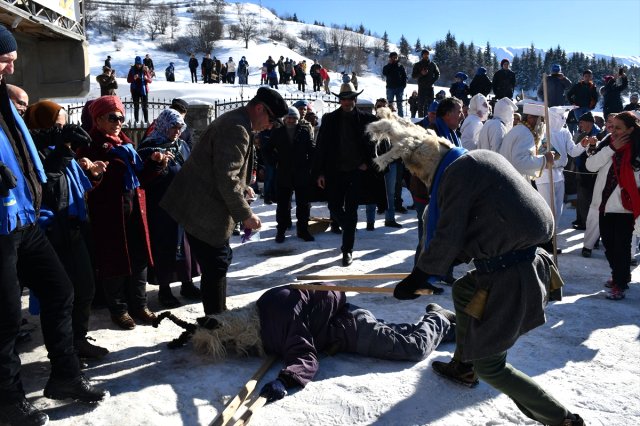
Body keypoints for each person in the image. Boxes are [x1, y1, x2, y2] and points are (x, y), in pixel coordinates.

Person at [366, 111, 584, 426]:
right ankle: (463, 365)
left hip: (514, 272)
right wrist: (435, 266)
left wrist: (419, 276)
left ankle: (563, 419)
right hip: (518, 258)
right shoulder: (476, 160)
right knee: (466, 288)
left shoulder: (458, 174)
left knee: (491, 367)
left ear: (425, 168)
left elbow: (450, 233)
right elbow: (476, 227)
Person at [0, 26, 107, 426]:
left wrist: (54, 137)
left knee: (61, 291)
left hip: (24, 219)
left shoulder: (3, 99)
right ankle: (8, 401)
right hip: (0, 228)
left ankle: (64, 376)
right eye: (5, 58)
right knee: (6, 320)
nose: (12, 65)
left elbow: (17, 143)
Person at [159, 284, 455, 404]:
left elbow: (305, 354)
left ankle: (438, 318)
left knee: (411, 348)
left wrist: (286, 380)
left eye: (236, 346)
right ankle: (449, 330)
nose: (242, 350)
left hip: (346, 327)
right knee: (397, 336)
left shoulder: (277, 322)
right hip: (337, 324)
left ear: (240, 333)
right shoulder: (264, 309)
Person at [160, 87, 288, 315]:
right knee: (216, 263)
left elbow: (227, 170)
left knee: (218, 261)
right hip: (202, 208)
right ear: (259, 108)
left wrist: (244, 186)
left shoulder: (240, 121)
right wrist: (246, 215)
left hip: (201, 203)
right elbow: (227, 178)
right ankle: (216, 323)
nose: (271, 126)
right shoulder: (237, 128)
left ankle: (218, 317)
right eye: (272, 120)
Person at [24, 101, 110, 359]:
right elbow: (45, 191)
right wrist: (62, 152)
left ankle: (78, 338)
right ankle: (65, 349)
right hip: (53, 231)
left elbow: (74, 190)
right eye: (58, 122)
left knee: (85, 288)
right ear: (45, 124)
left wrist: (92, 174)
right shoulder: (34, 153)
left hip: (74, 226)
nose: (64, 126)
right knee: (64, 295)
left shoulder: (63, 150)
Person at [77, 96, 169, 330]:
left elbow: (140, 179)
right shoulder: (90, 146)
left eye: (121, 117)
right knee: (114, 262)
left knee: (139, 259)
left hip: (135, 211)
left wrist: (155, 164)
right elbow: (85, 184)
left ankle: (139, 305)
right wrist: (93, 173)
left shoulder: (125, 143)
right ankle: (118, 309)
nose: (119, 121)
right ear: (97, 119)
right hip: (109, 215)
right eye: (112, 117)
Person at [138, 109, 201, 307]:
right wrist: (158, 165)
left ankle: (187, 283)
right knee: (165, 246)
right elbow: (143, 178)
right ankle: (164, 290)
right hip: (161, 207)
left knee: (186, 246)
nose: (177, 131)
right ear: (164, 125)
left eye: (180, 127)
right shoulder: (150, 148)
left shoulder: (181, 145)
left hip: (182, 205)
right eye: (173, 126)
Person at [312, 82, 379, 266]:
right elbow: (321, 147)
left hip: (357, 172)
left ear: (355, 99)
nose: (347, 102)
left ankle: (347, 250)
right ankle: (349, 228)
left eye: (350, 99)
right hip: (335, 172)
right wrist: (320, 173)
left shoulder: (367, 119)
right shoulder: (330, 119)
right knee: (334, 207)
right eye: (343, 99)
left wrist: (368, 163)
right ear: (339, 100)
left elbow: (378, 144)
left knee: (352, 210)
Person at [586, 111, 640, 300]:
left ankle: (620, 283)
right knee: (609, 246)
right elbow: (591, 165)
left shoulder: (637, 150)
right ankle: (621, 275)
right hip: (604, 206)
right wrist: (612, 148)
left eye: (619, 128)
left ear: (630, 130)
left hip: (625, 208)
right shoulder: (608, 144)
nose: (614, 131)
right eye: (612, 127)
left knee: (621, 247)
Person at [265, 107, 315, 243]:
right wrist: (274, 161)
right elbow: (267, 149)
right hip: (284, 172)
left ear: (297, 119)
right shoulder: (278, 132)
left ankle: (303, 230)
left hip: (301, 173)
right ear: (285, 119)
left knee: (303, 205)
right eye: (289, 118)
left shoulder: (304, 132)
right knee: (282, 205)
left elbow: (312, 150)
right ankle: (281, 231)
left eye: (293, 118)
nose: (291, 120)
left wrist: (309, 166)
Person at [499, 108, 554, 181]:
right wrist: (545, 159)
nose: (543, 123)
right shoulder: (525, 133)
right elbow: (520, 162)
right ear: (530, 118)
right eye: (541, 119)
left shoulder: (520, 129)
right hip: (513, 180)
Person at [572, 111, 601, 230]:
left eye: (581, 123)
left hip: (591, 172)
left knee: (587, 197)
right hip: (581, 169)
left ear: (589, 123)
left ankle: (586, 223)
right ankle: (580, 219)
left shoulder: (597, 134)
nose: (580, 125)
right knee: (581, 195)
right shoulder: (582, 133)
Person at [566, 69, 599, 133]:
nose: (587, 78)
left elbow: (595, 98)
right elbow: (569, 95)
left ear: (591, 77)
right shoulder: (578, 85)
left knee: (589, 123)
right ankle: (579, 140)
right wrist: (572, 103)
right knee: (581, 124)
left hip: (587, 108)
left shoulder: (593, 86)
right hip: (578, 108)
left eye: (589, 76)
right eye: (586, 76)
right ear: (583, 77)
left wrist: (593, 106)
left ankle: (593, 137)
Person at [411, 49, 440, 117]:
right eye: (425, 54)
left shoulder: (432, 64)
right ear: (422, 55)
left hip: (430, 87)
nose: (426, 56)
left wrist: (432, 81)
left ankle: (429, 120)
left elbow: (437, 74)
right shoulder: (417, 65)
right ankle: (421, 120)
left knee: (430, 105)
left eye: (427, 54)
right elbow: (413, 76)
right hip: (421, 87)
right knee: (421, 105)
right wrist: (421, 73)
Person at [126, 56, 152, 123]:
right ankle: (136, 121)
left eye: (140, 64)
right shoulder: (132, 70)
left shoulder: (145, 69)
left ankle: (146, 121)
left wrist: (146, 78)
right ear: (135, 63)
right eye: (137, 64)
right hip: (135, 90)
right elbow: (128, 80)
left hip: (144, 90)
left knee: (145, 107)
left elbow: (150, 80)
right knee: (136, 107)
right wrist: (133, 78)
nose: (139, 65)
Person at [382, 52, 407, 117]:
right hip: (390, 88)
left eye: (396, 57)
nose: (395, 59)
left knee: (400, 105)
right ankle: (389, 118)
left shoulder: (400, 66)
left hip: (399, 88)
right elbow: (384, 73)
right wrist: (390, 64)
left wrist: (403, 86)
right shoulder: (387, 66)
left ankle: (401, 119)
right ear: (390, 58)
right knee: (389, 104)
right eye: (393, 57)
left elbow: (404, 76)